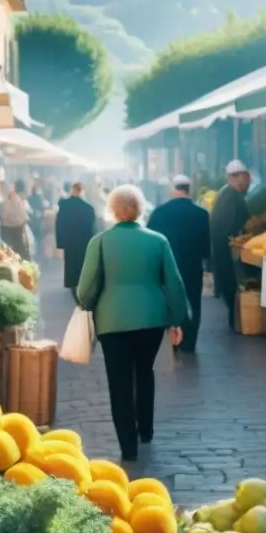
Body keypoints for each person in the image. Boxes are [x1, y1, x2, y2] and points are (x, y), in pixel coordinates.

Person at [75, 184, 190, 461]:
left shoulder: (100, 242)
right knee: (144, 371)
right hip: (151, 319)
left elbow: (85, 289)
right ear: (139, 209)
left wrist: (88, 303)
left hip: (112, 321)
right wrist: (178, 319)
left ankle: (128, 446)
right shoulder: (158, 241)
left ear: (112, 210)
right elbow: (174, 283)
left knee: (119, 381)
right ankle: (146, 429)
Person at [146, 174, 210, 352]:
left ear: (173, 190)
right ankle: (189, 342)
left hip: (167, 267)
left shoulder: (159, 213)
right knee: (194, 302)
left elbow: (150, 241)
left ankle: (175, 338)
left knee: (171, 301)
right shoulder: (202, 214)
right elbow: (206, 246)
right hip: (192, 266)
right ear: (190, 190)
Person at [209, 160, 251, 332]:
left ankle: (235, 320)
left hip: (225, 250)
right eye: (235, 176)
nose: (240, 179)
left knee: (230, 285)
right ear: (228, 178)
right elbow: (226, 226)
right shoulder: (230, 195)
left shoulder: (229, 194)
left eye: (243, 175)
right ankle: (235, 320)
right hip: (226, 251)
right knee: (230, 285)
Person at [57, 182, 98, 300]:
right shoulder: (88, 208)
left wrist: (60, 243)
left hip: (69, 241)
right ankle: (82, 285)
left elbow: (59, 225)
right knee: (82, 263)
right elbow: (92, 229)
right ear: (82, 191)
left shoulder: (64, 206)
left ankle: (72, 285)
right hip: (84, 241)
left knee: (70, 263)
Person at [0, 184, 31, 259]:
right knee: (20, 249)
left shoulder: (5, 202)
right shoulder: (18, 200)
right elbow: (24, 216)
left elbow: (3, 216)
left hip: (7, 228)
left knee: (8, 250)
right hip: (18, 228)